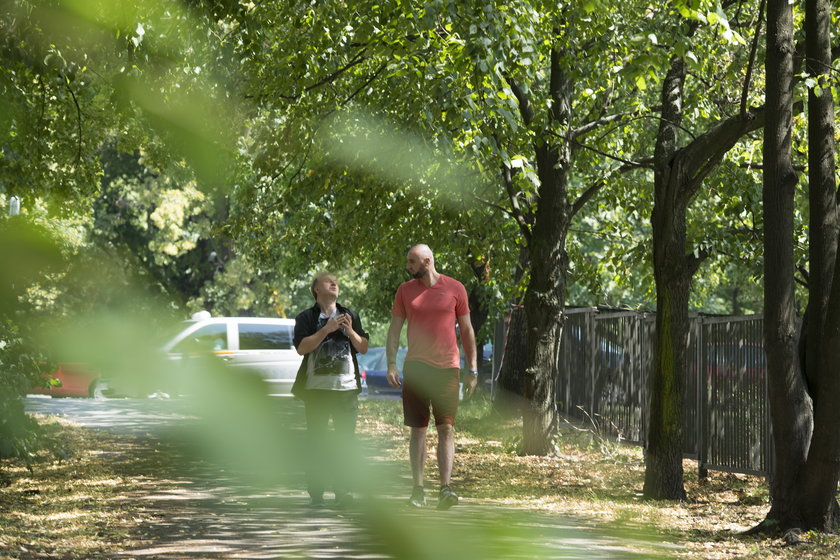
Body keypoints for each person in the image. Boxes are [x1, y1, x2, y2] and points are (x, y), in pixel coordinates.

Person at [386, 244, 477, 510]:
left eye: (412, 261)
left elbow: (468, 331)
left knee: (446, 428)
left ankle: (445, 489)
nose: (408, 266)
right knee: (418, 430)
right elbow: (394, 331)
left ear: (427, 261)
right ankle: (418, 489)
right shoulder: (405, 291)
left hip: (448, 368)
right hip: (416, 367)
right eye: (408, 261)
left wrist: (472, 369)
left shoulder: (455, 288)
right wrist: (391, 363)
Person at [292, 272, 369, 507]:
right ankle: (316, 491)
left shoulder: (350, 315)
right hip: (316, 390)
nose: (334, 283)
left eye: (336, 281)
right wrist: (326, 329)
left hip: (346, 390)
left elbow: (363, 347)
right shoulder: (306, 317)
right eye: (328, 281)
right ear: (316, 289)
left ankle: (343, 491)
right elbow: (302, 348)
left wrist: (350, 331)